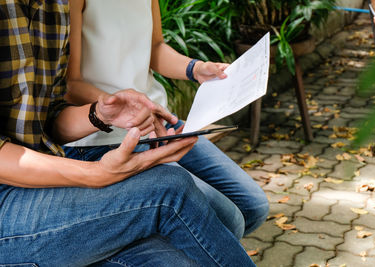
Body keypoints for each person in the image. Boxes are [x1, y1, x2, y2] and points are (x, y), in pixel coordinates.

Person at [0, 1, 257, 266]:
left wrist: (99, 115)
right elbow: (70, 87)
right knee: (172, 191)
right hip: (22, 191)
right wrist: (96, 174)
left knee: (204, 239)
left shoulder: (52, 9)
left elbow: (48, 120)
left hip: (56, 167)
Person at [65, 0, 269, 241]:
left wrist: (196, 68)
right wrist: (121, 107)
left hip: (159, 122)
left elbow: (155, 47)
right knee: (227, 221)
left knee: (253, 207)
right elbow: (70, 84)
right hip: (105, 137)